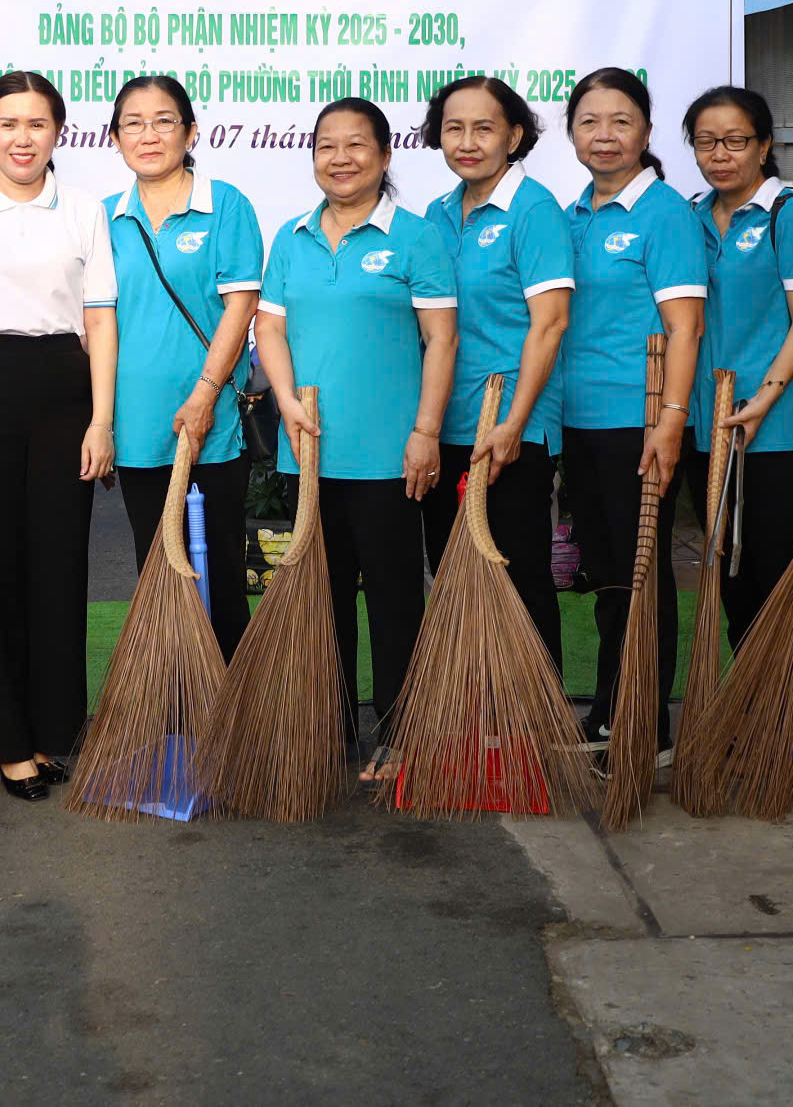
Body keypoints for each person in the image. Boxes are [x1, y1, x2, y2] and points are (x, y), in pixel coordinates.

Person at [0, 71, 118, 800]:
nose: (22, 138)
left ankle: (54, 728)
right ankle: (4, 738)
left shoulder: (86, 211)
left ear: (59, 133)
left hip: (65, 393)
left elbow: (100, 319)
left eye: (37, 124)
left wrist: (101, 419)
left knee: (59, 564)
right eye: (8, 123)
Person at [255, 97, 458, 780]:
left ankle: (399, 732)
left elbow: (440, 338)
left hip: (389, 455)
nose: (340, 158)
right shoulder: (292, 235)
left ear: (385, 155)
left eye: (356, 145)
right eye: (326, 146)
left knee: (396, 596)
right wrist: (284, 400)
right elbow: (271, 328)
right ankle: (330, 728)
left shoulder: (416, 236)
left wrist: (426, 431)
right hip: (309, 451)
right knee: (321, 596)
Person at [559, 67, 705, 756]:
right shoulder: (574, 213)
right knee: (610, 573)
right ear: (571, 133)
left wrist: (671, 419)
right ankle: (614, 703)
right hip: (579, 420)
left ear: (646, 131)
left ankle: (648, 722)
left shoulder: (664, 213)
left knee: (642, 569)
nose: (605, 135)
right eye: (589, 121)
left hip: (638, 421)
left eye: (620, 121)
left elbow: (685, 327)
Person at [101, 75, 264, 658]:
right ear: (115, 137)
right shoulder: (103, 219)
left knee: (218, 564)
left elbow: (240, 306)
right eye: (134, 124)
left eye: (164, 121)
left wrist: (203, 393)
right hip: (139, 423)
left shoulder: (226, 206)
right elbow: (97, 324)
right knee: (158, 570)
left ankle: (229, 714)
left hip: (209, 421)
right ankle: (176, 712)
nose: (149, 135)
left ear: (191, 131)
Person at [418, 75, 574, 665]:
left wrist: (512, 423)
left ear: (514, 135)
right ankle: (475, 716)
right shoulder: (436, 214)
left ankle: (534, 723)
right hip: (447, 425)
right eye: (454, 127)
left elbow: (551, 323)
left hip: (511, 430)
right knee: (455, 576)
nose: (467, 141)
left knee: (517, 575)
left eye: (484, 128)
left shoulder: (533, 211)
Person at [681, 87, 793, 644]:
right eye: (705, 142)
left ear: (763, 145)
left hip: (774, 431)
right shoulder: (691, 217)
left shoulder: (788, 217)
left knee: (772, 580)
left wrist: (764, 398)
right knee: (730, 583)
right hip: (708, 426)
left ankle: (787, 716)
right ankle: (747, 714)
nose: (720, 154)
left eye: (735, 141)